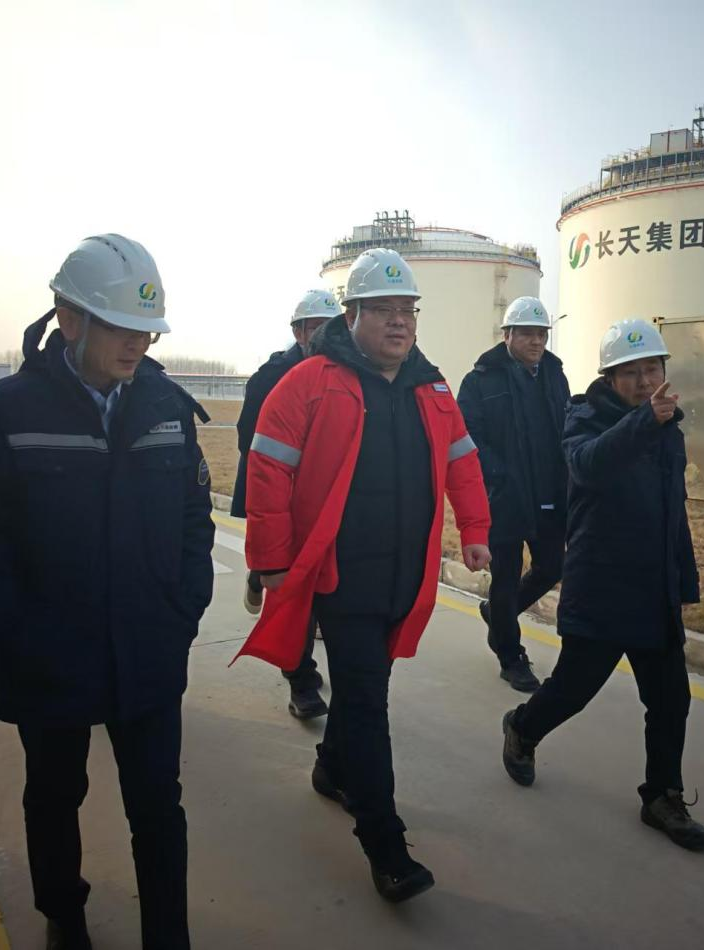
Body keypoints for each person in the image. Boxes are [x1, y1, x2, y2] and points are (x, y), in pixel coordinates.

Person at [0, 234, 215, 949]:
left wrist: (183, 606)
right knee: (56, 794)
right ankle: (64, 913)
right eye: (120, 327)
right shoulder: (6, 413)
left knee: (158, 805)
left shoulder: (165, 406)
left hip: (148, 648)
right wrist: (9, 626)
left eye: (146, 330)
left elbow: (193, 515)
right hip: (50, 654)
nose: (137, 344)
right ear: (68, 318)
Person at [238, 247, 491, 902]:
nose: (399, 321)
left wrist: (476, 531)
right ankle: (385, 844)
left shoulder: (432, 389)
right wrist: (269, 559)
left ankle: (330, 768)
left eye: (408, 309)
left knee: (361, 691)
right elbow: (267, 471)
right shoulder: (310, 382)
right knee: (367, 702)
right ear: (350, 315)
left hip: (405, 578)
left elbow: (463, 461)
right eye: (383, 309)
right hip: (340, 577)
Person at [499, 317, 704, 852]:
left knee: (671, 700)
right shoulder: (585, 418)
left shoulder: (668, 429)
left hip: (655, 590)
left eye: (652, 369)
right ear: (609, 379)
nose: (645, 381)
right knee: (573, 690)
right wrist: (644, 421)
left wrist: (683, 580)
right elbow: (588, 467)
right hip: (603, 586)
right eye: (631, 372)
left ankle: (662, 796)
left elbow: (673, 512)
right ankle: (523, 728)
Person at [231, 290, 340, 720]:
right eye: (317, 326)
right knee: (295, 596)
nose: (327, 334)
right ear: (298, 332)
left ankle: (260, 571)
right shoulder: (272, 376)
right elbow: (250, 442)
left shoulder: (352, 373)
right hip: (286, 501)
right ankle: (301, 681)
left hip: (330, 503)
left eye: (334, 325)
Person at [457, 296, 569, 692]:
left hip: (549, 493)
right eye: (527, 334)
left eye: (541, 334)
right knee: (504, 578)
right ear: (507, 335)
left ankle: (498, 614)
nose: (536, 341)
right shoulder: (480, 380)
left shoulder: (555, 373)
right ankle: (510, 656)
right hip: (504, 497)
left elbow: (567, 424)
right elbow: (468, 435)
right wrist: (499, 476)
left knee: (552, 567)